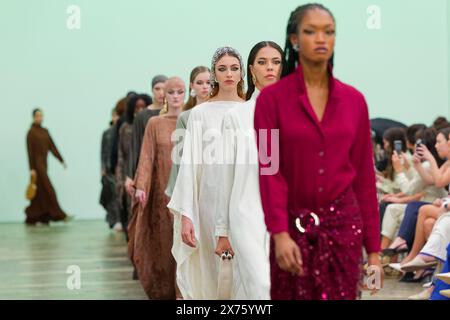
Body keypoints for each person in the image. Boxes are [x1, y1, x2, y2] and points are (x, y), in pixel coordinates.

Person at [254, 3, 382, 300]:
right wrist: (279, 233)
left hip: (344, 231)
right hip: (291, 234)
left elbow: (364, 178)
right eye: (311, 31)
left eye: (329, 32)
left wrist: (374, 252)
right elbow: (269, 169)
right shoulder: (270, 102)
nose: (321, 38)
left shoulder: (355, 101)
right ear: (294, 40)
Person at [167, 47, 245, 299]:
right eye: (222, 69)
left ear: (243, 72)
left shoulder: (253, 110)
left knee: (243, 275)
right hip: (207, 205)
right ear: (214, 74)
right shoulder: (199, 114)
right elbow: (188, 166)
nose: (229, 74)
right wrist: (187, 215)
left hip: (244, 202)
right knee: (210, 273)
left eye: (234, 68)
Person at [213, 41, 284, 299]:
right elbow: (225, 176)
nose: (270, 68)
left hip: (288, 217)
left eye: (276, 62)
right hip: (247, 215)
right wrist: (222, 230)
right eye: (263, 62)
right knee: (263, 286)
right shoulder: (236, 116)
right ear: (251, 70)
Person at [128, 77, 185, 299]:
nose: (175, 96)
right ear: (164, 95)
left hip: (188, 192)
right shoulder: (155, 124)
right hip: (162, 195)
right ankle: (165, 292)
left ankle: (184, 293)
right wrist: (141, 186)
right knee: (163, 245)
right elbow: (147, 156)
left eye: (180, 91)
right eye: (171, 92)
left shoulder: (192, 119)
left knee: (186, 246)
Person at [165, 66, 211, 198]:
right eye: (200, 83)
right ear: (192, 86)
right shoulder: (185, 117)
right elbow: (179, 155)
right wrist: (175, 190)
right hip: (193, 178)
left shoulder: (224, 113)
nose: (205, 87)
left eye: (208, 82)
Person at [25, 108, 70, 225]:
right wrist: (31, 169)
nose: (40, 118)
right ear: (33, 117)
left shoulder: (45, 131)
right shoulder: (31, 133)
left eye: (41, 116)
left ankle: (37, 217)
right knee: (50, 190)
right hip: (37, 167)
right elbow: (29, 152)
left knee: (40, 194)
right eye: (37, 116)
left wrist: (61, 160)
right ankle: (60, 215)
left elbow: (52, 147)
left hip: (44, 165)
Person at [126, 76, 167, 195]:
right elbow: (135, 145)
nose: (161, 92)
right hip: (147, 166)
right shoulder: (142, 116)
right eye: (157, 88)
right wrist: (130, 175)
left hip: (168, 167)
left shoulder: (176, 113)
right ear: (152, 90)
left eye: (164, 89)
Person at [100, 108, 121, 229]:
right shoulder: (106, 133)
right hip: (109, 169)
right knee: (111, 195)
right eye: (114, 116)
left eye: (118, 115)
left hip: (120, 168)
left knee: (119, 195)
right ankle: (114, 220)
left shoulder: (123, 130)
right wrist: (102, 168)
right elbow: (103, 151)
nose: (116, 118)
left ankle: (119, 220)